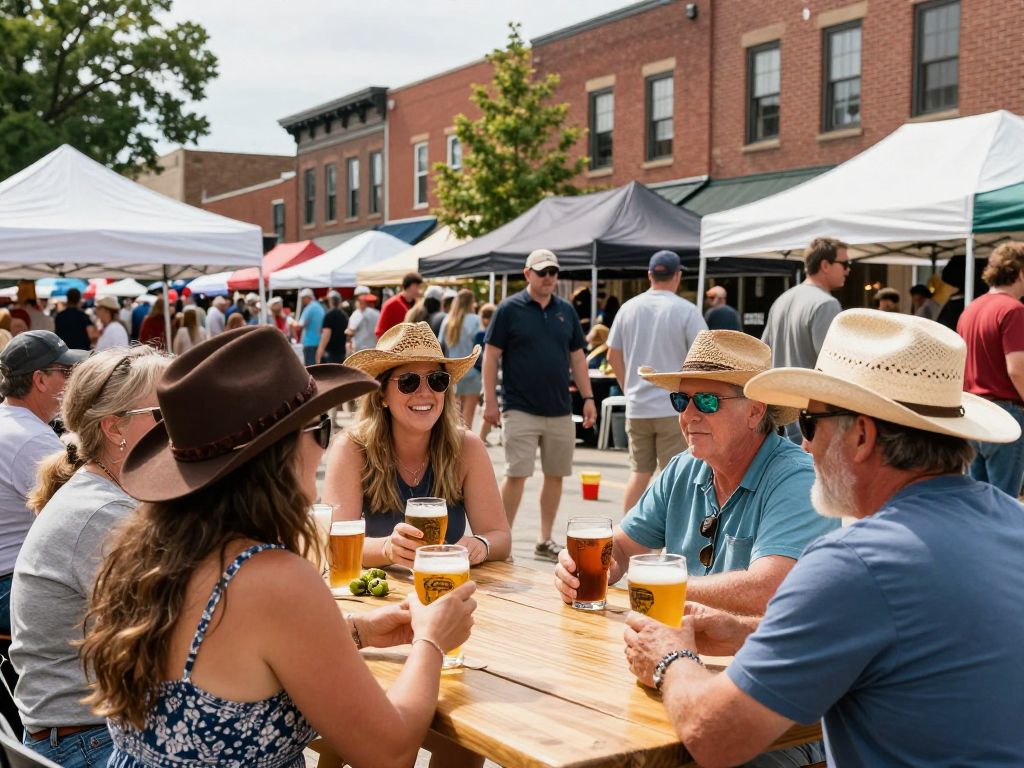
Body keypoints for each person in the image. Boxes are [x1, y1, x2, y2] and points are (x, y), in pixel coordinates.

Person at [624, 309, 1024, 767]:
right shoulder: (1011, 521)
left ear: (861, 436)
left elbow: (714, 736)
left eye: (811, 425)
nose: (805, 445)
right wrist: (745, 634)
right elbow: (903, 641)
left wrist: (670, 657)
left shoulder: (857, 563)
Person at [80, 326, 478, 768]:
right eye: (321, 429)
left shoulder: (142, 550)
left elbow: (236, 664)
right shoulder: (271, 578)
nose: (324, 452)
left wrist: (356, 632)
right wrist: (431, 640)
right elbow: (391, 752)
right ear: (283, 451)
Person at [556, 329, 837, 616]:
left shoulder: (797, 479)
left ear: (755, 411)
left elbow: (768, 590)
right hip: (678, 646)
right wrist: (589, 568)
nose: (688, 414)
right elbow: (624, 549)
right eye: (681, 400)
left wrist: (660, 587)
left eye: (707, 401)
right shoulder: (683, 468)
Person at [12, 346, 169, 766]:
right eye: (166, 410)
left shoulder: (109, 494)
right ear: (114, 427)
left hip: (85, 731)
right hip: (91, 741)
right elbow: (177, 641)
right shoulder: (104, 514)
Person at [325, 321, 511, 573]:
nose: (425, 392)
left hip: (448, 591)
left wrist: (482, 544)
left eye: (437, 380)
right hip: (378, 596)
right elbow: (335, 543)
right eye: (409, 382)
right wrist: (387, 549)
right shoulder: (352, 448)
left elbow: (499, 536)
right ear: (381, 396)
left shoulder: (466, 447)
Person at [483, 250, 596, 561]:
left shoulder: (566, 311)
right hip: (519, 406)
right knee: (517, 473)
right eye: (542, 271)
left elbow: (577, 358)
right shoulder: (508, 309)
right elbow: (491, 355)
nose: (548, 277)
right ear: (527, 273)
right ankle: (501, 539)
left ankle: (544, 539)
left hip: (559, 407)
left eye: (553, 272)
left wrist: (588, 398)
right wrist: (490, 400)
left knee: (556, 474)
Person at [0, 332, 87, 633]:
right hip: (10, 583)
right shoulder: (33, 439)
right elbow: (80, 516)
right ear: (39, 380)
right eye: (64, 373)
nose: (70, 381)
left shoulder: (11, 422)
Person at [607, 250, 707, 513]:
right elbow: (704, 355)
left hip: (638, 405)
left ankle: (624, 539)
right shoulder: (686, 310)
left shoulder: (628, 308)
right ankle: (671, 545)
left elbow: (612, 353)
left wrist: (627, 387)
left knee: (638, 473)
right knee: (675, 476)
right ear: (677, 276)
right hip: (674, 406)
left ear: (650, 275)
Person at [761, 237, 849, 441]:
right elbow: (834, 367)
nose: (847, 270)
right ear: (825, 265)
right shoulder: (826, 304)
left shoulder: (782, 300)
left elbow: (764, 353)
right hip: (811, 422)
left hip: (781, 418)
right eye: (844, 264)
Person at [957, 242, 1024, 496]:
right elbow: (1017, 369)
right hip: (1004, 414)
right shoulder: (1013, 310)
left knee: (977, 501)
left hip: (972, 412)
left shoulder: (970, 309)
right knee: (1003, 503)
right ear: (1019, 272)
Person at [439, 289, 482, 427]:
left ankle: (455, 445)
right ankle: (467, 446)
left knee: (454, 415)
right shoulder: (475, 320)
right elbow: (481, 344)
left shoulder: (447, 320)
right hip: (472, 370)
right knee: (468, 417)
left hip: (453, 371)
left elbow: (440, 344)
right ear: (471, 302)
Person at [474, 303, 496, 444]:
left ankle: (482, 436)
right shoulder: (487, 334)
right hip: (484, 374)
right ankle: (482, 436)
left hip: (480, 372)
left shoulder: (481, 334)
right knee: (486, 406)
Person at [377, 272, 424, 338]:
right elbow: (379, 332)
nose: (419, 290)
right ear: (412, 286)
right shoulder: (390, 304)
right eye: (417, 286)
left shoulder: (417, 305)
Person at [317, 290, 349, 364]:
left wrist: (319, 352)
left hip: (330, 354)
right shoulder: (344, 315)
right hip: (342, 353)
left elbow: (326, 336)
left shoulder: (329, 315)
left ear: (330, 301)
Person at [347, 286, 380, 353]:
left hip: (359, 352)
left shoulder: (358, 313)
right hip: (374, 350)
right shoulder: (378, 313)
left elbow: (350, 332)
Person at [297, 287, 325, 366]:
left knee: (310, 369)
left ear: (307, 298)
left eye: (303, 298)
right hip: (318, 342)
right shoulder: (319, 307)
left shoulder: (309, 308)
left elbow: (300, 325)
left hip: (310, 343)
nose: (302, 300)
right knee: (316, 368)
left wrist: (289, 321)